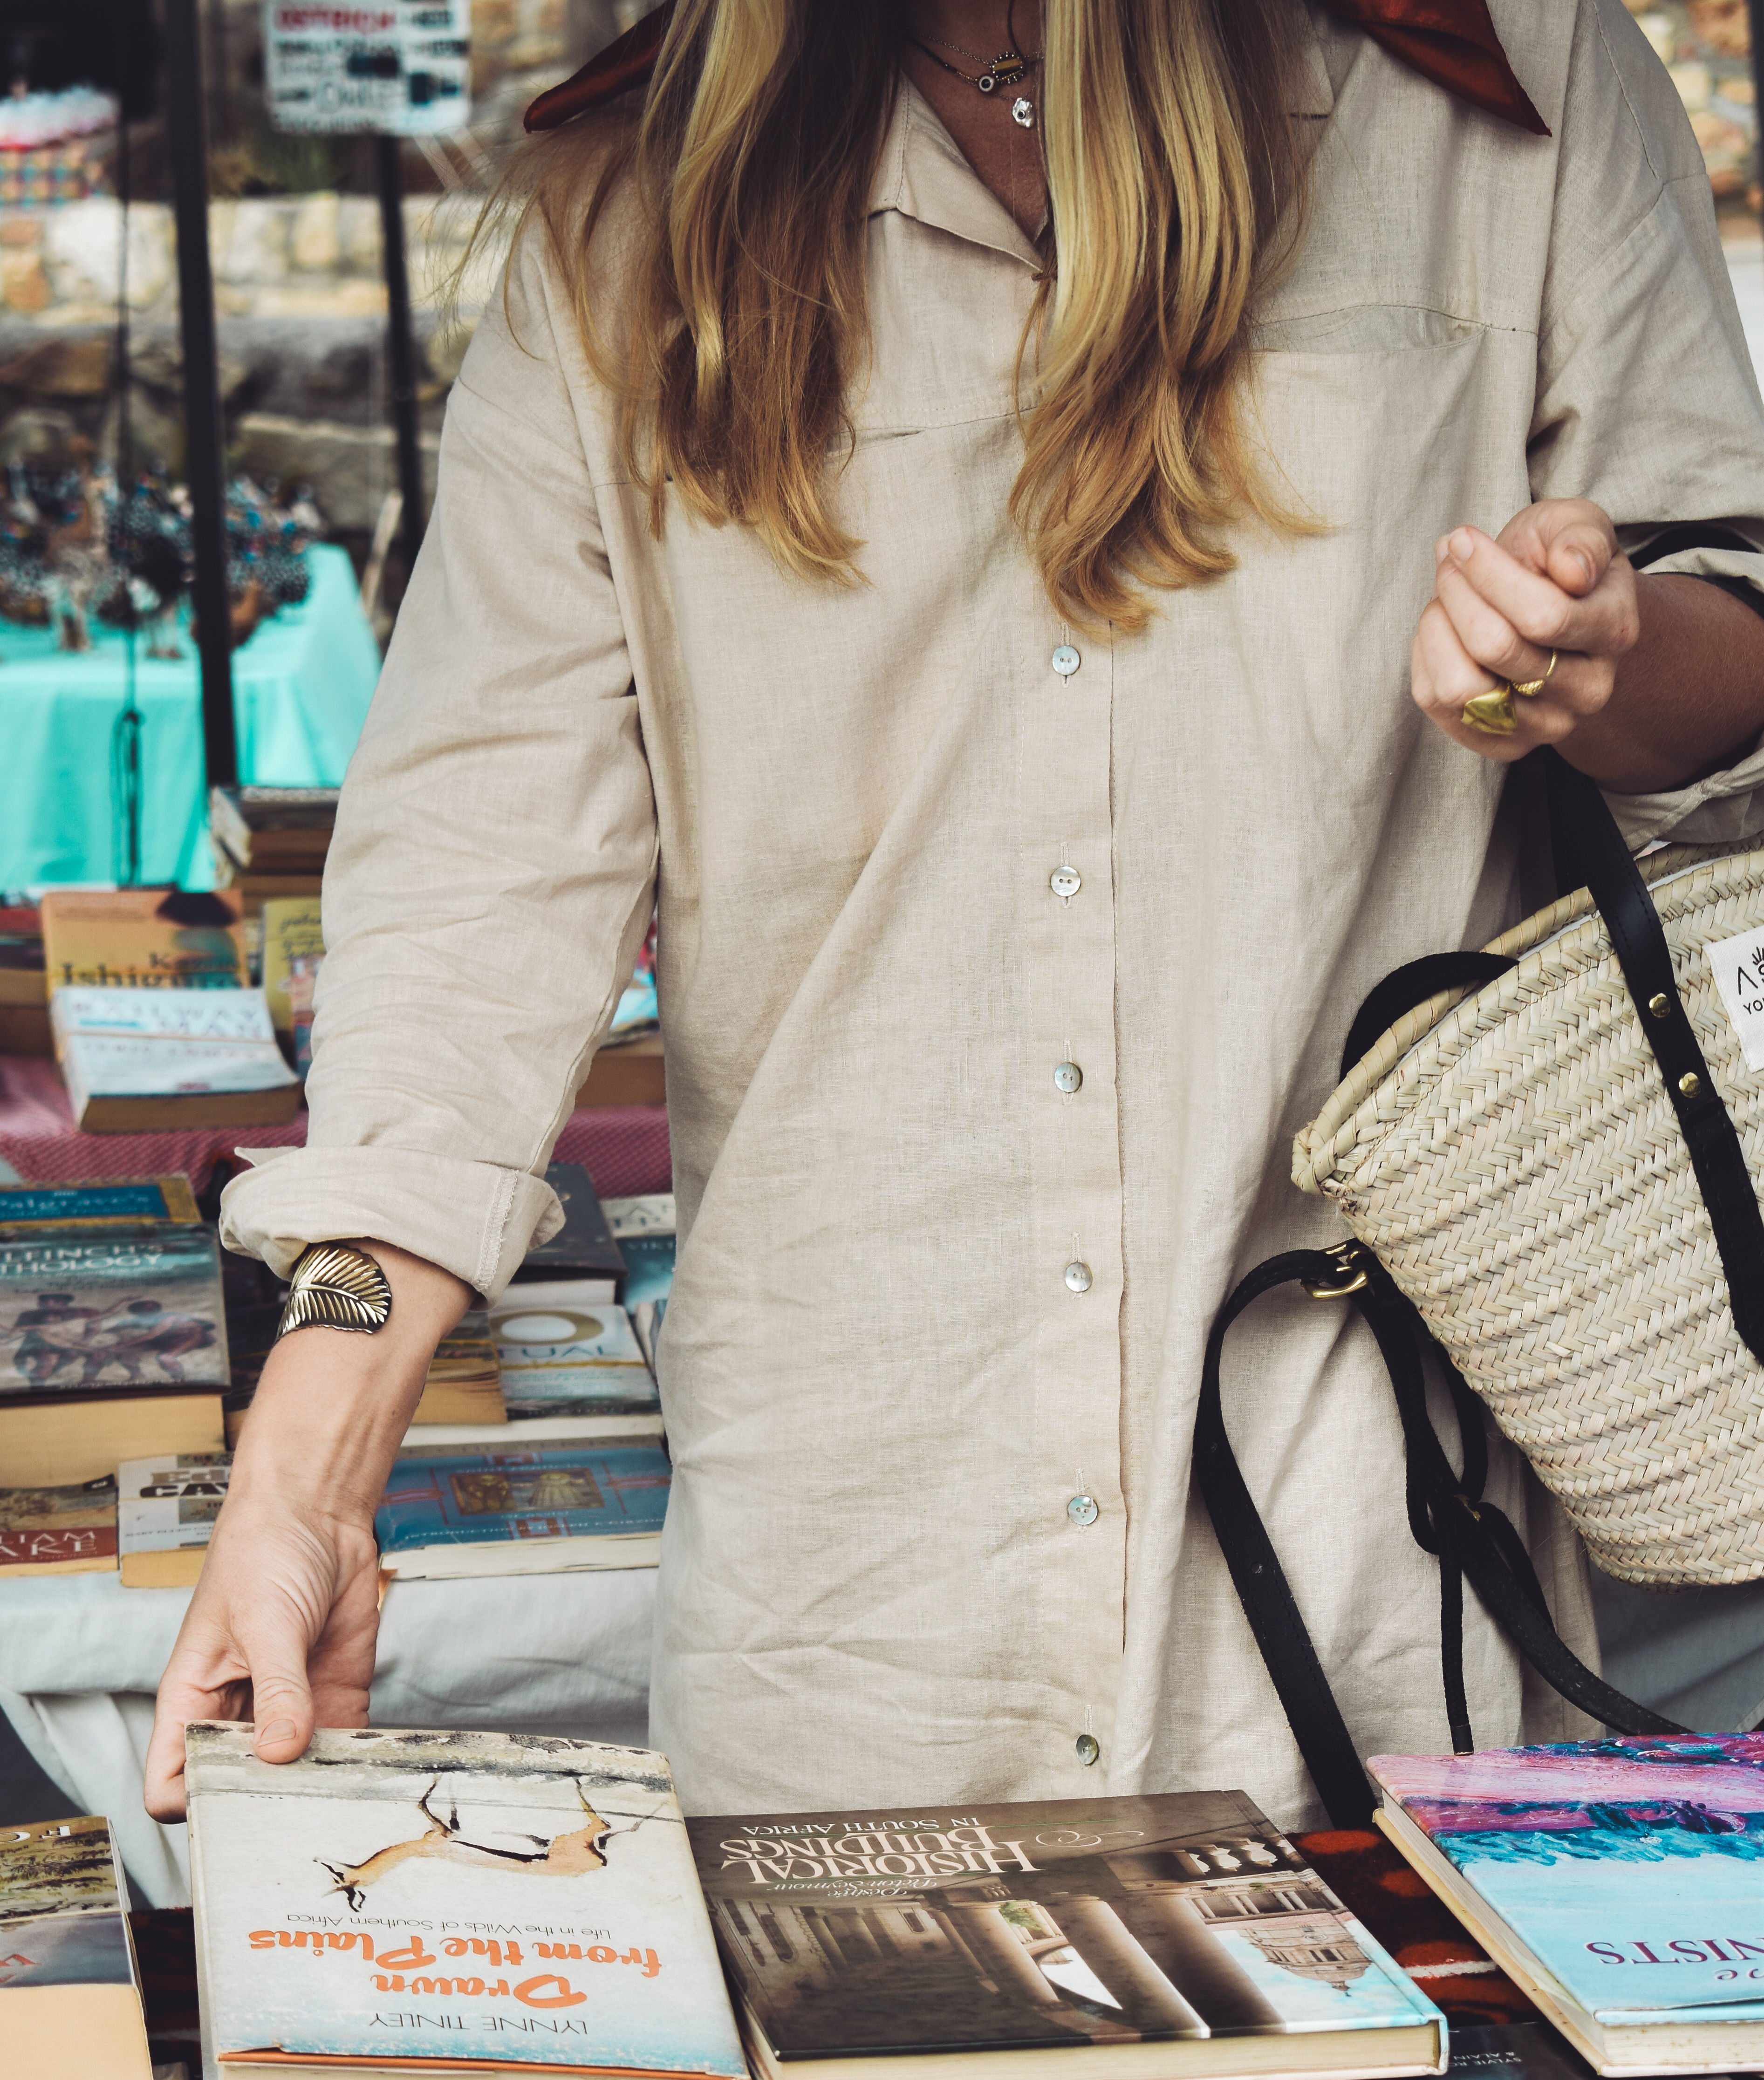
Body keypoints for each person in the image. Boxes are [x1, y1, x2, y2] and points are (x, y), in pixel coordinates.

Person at [145, 0, 1764, 1827]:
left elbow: (1728, 650)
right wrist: (304, 1464)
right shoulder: (621, 194)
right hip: (856, 1591)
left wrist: (1589, 657)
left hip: (1362, 1546)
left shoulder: (1508, 86)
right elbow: (484, 856)